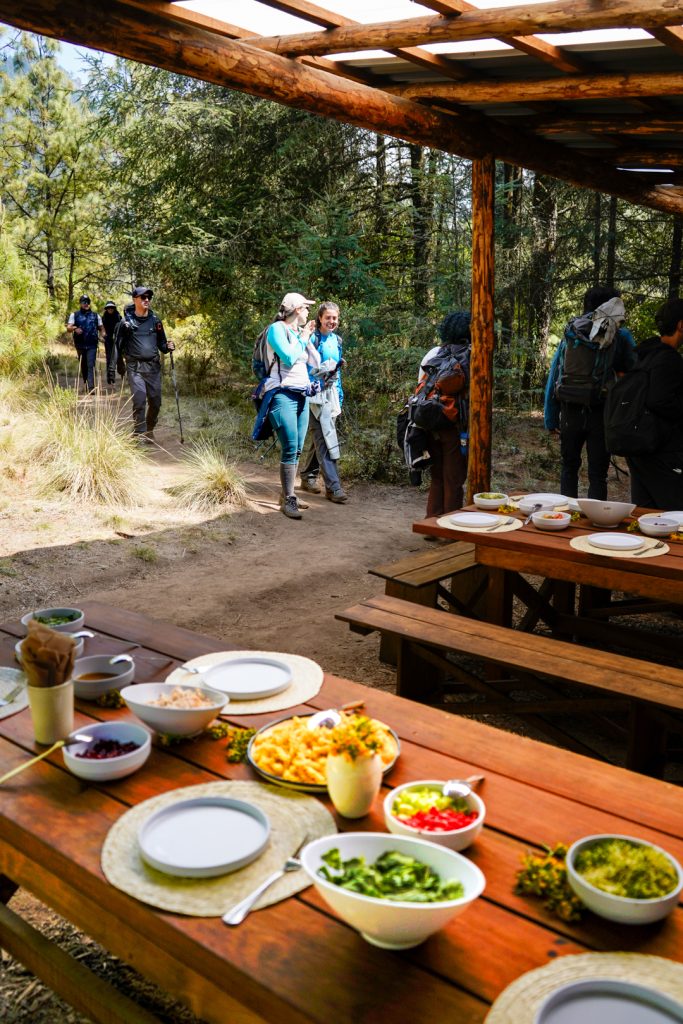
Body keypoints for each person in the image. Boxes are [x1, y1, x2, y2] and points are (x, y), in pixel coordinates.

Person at [544, 285, 636, 499]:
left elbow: (555, 373)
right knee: (598, 474)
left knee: (568, 467)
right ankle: (596, 525)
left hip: (570, 410)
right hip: (601, 411)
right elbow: (634, 375)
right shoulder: (620, 335)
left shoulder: (572, 331)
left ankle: (565, 518)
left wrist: (551, 417)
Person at [256, 292, 321, 519]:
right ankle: (289, 500)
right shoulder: (276, 330)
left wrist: (309, 339)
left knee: (298, 448)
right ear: (295, 309)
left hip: (302, 394)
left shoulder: (297, 332)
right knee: (290, 446)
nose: (308, 312)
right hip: (281, 394)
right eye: (305, 308)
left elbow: (314, 363)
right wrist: (304, 337)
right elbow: (289, 357)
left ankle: (288, 494)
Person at [625, 297, 683, 509]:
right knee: (676, 516)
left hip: (641, 446)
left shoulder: (646, 355)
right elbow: (659, 400)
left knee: (645, 513)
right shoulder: (669, 359)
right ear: (680, 325)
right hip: (661, 449)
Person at [420, 311, 470, 519]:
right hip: (455, 425)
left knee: (438, 475)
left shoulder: (434, 353)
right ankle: (451, 529)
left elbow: (421, 385)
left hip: (429, 420)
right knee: (454, 478)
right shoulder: (471, 354)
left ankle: (432, 522)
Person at [299, 301, 348, 503]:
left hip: (332, 397)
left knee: (321, 438)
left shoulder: (336, 340)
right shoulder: (313, 338)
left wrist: (340, 394)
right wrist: (314, 384)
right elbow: (303, 366)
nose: (332, 321)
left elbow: (336, 371)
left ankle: (308, 476)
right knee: (325, 439)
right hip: (315, 397)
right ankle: (333, 488)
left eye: (335, 318)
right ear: (320, 318)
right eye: (328, 317)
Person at [114, 286, 174, 442]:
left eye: (149, 297)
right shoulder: (126, 322)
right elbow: (118, 346)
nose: (147, 299)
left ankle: (149, 430)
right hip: (135, 368)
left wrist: (168, 347)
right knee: (139, 400)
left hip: (153, 368)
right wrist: (115, 366)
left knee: (156, 402)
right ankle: (138, 433)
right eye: (143, 297)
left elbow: (162, 345)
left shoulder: (156, 321)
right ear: (135, 300)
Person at [66, 295, 104, 392]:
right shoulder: (74, 315)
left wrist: (103, 335)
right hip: (80, 345)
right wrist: (75, 328)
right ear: (80, 303)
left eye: (87, 302)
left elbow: (101, 327)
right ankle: (86, 384)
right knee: (83, 365)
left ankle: (91, 387)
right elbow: (68, 328)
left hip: (92, 344)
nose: (86, 303)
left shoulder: (96, 315)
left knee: (90, 364)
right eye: (84, 302)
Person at [101, 300, 123, 386]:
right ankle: (110, 379)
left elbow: (122, 328)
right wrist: (103, 336)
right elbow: (101, 328)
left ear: (114, 308)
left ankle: (122, 374)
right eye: (108, 308)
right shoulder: (104, 317)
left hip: (118, 340)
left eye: (112, 308)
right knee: (109, 358)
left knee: (119, 358)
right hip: (108, 340)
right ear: (106, 309)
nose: (110, 309)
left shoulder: (118, 317)